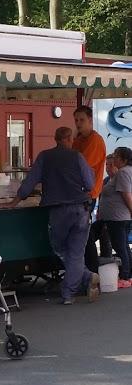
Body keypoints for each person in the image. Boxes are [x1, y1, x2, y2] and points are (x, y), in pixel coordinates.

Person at [1, 126, 98, 305]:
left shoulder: (44, 156)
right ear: (69, 139)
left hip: (58, 210)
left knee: (60, 248)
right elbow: (90, 183)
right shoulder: (77, 156)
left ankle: (80, 282)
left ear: (55, 139)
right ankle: (74, 288)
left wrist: (14, 202)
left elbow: (29, 182)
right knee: (76, 253)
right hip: (81, 208)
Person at [73, 106, 108, 273]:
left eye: (81, 120)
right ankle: (85, 272)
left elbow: (81, 165)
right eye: (76, 120)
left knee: (84, 235)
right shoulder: (78, 140)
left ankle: (92, 272)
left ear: (90, 120)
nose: (78, 123)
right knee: (79, 234)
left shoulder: (95, 140)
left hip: (88, 194)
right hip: (77, 193)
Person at [95, 146, 132, 287]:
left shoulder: (123, 173)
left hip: (118, 217)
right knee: (123, 246)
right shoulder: (123, 173)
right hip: (117, 216)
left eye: (116, 156)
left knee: (120, 246)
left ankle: (125, 276)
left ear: (123, 160)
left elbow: (126, 194)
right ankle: (128, 275)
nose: (114, 158)